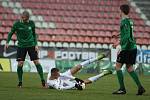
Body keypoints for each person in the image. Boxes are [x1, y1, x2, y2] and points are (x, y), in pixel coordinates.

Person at [4, 11, 45, 88]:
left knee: (36, 62)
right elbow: (11, 33)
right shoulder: (17, 24)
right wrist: (7, 42)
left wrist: (36, 44)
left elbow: (34, 34)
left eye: (25, 18)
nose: (23, 19)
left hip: (31, 45)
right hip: (21, 46)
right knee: (20, 64)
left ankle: (43, 81)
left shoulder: (32, 23)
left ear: (28, 18)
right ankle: (20, 82)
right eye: (22, 18)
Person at [112, 4, 145, 95]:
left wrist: (117, 43)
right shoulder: (129, 21)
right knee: (129, 68)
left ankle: (122, 89)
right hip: (133, 47)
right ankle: (140, 87)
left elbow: (126, 36)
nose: (118, 12)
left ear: (122, 11)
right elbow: (127, 32)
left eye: (119, 10)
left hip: (127, 48)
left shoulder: (124, 22)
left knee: (118, 66)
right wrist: (118, 35)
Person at [47, 53, 112, 90]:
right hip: (65, 84)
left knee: (78, 67)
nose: (58, 74)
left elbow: (62, 75)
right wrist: (75, 85)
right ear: (53, 74)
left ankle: (97, 58)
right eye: (57, 74)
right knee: (85, 82)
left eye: (58, 73)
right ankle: (103, 74)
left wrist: (75, 78)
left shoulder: (52, 73)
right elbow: (61, 88)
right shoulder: (52, 83)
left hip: (64, 78)